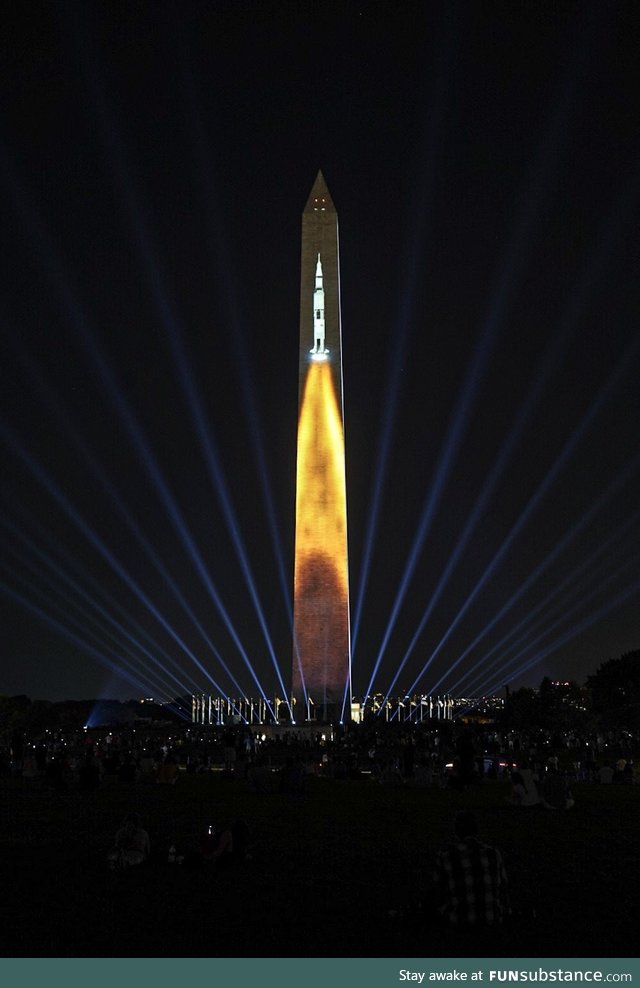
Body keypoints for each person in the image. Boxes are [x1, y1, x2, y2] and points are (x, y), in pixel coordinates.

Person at [433, 811, 510, 935]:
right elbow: (503, 890)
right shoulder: (494, 854)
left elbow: (437, 891)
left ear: (456, 831)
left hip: (459, 924)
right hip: (491, 923)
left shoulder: (446, 856)